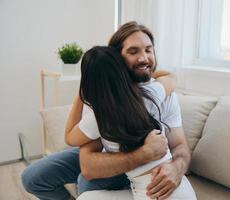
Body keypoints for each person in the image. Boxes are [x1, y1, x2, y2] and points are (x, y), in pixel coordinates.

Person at [21, 21, 192, 200]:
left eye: (148, 50)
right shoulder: (102, 97)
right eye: (133, 51)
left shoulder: (160, 93)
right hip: (110, 155)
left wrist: (177, 168)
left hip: (139, 168)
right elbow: (88, 164)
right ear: (116, 59)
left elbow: (179, 145)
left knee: (86, 183)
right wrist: (143, 154)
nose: (144, 58)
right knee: (32, 177)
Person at [65, 46, 196, 200]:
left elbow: (69, 137)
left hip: (151, 194)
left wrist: (82, 91)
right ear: (123, 70)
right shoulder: (149, 95)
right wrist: (132, 75)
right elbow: (169, 76)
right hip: (182, 191)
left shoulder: (98, 117)